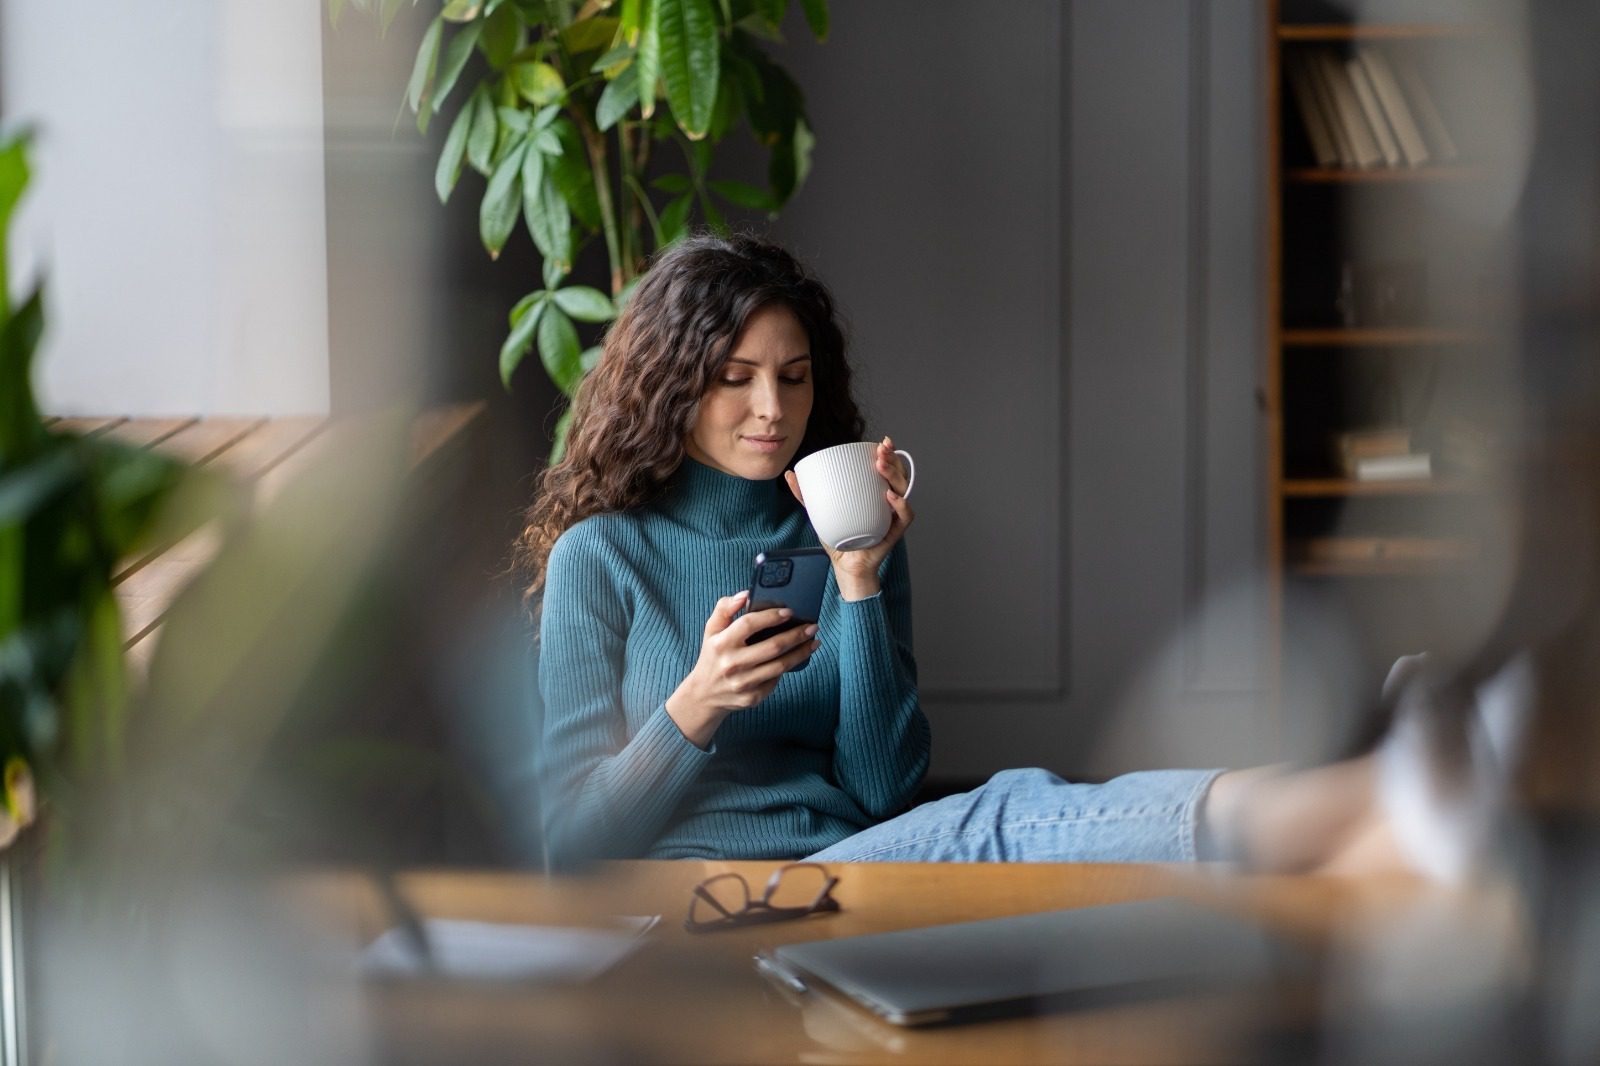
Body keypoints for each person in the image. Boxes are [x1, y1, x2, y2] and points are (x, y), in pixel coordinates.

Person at [519, 234, 1238, 866]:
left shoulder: (843, 530)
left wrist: (859, 578)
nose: (772, 407)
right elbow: (571, 843)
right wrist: (699, 702)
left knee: (1009, 821)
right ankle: (1260, 816)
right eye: (736, 378)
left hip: (849, 864)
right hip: (695, 892)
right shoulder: (601, 556)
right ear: (672, 388)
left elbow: (880, 792)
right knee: (1004, 820)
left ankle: (1261, 817)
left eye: (793, 377)